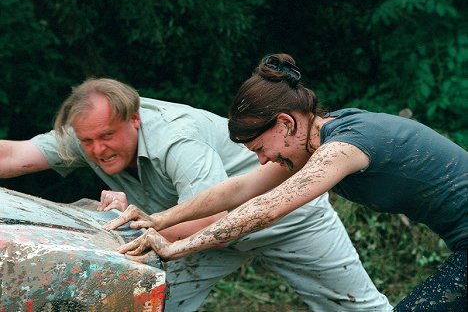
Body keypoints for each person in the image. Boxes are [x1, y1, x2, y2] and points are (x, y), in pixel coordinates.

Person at [104, 54, 468, 312]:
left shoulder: (343, 147)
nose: (262, 160)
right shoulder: (317, 139)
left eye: (261, 148)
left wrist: (175, 248)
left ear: (285, 123)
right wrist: (159, 220)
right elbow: (239, 189)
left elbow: (265, 209)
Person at [0, 78, 392, 311]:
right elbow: (14, 156)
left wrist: (107, 232)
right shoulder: (88, 131)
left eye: (107, 136)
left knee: (355, 306)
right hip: (189, 238)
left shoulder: (176, 137)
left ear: (134, 119)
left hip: (286, 221)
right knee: (140, 301)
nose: (98, 149)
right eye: (88, 141)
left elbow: (211, 218)